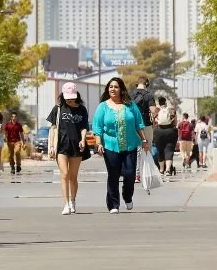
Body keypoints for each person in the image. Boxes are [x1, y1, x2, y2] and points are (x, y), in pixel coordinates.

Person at [91, 77, 150, 213]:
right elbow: (98, 128)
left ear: (121, 89)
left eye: (116, 87)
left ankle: (127, 196)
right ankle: (113, 204)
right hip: (110, 146)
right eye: (110, 87)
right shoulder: (103, 107)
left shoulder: (130, 105)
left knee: (130, 173)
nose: (113, 89)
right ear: (108, 89)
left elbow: (139, 124)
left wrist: (144, 141)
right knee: (113, 174)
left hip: (130, 145)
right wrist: (98, 143)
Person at [47, 83, 91, 214]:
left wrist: (83, 140)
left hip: (77, 146)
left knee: (73, 176)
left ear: (76, 95)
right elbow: (53, 128)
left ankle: (73, 201)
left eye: (71, 97)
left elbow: (84, 127)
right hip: (61, 146)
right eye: (67, 98)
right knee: (64, 174)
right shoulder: (58, 109)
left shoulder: (81, 109)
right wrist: (51, 146)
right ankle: (66, 204)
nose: (69, 100)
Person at [151, 96, 178, 176]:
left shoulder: (156, 110)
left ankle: (161, 170)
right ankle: (168, 170)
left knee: (160, 151)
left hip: (159, 132)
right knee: (169, 150)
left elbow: (153, 122)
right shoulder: (171, 110)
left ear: (159, 103)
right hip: (170, 131)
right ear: (165, 102)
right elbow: (175, 122)